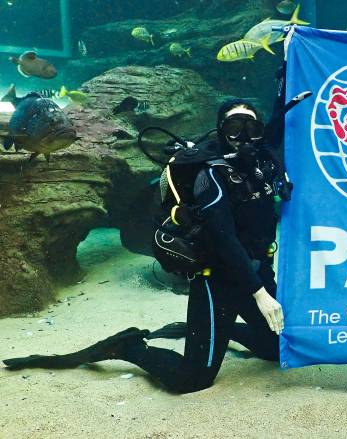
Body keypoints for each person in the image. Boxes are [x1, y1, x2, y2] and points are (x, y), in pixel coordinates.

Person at [3, 99, 285, 394]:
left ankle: (227, 332)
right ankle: (129, 347)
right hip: (218, 282)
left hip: (256, 274)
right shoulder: (211, 174)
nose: (243, 136)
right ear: (221, 130)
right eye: (234, 126)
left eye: (251, 127)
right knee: (192, 380)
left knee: (279, 349)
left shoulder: (262, 167)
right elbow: (224, 239)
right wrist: (260, 295)